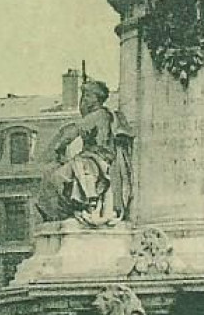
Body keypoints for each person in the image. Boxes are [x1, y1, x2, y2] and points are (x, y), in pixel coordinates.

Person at [36, 78, 135, 226]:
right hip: (93, 158)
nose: (83, 100)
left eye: (87, 96)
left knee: (58, 177)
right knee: (57, 175)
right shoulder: (102, 114)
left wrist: (59, 147)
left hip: (96, 158)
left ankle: (87, 202)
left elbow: (73, 131)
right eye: (84, 96)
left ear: (96, 98)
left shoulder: (98, 114)